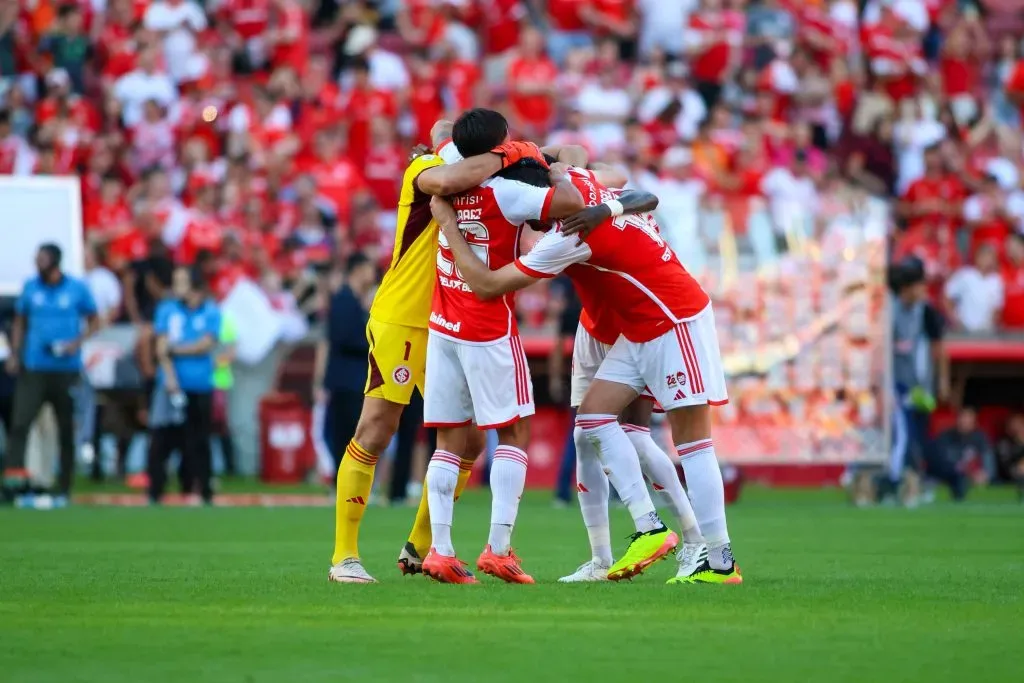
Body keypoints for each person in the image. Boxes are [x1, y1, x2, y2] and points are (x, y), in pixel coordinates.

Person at [434, 162, 738, 584]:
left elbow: (486, 285)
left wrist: (448, 225)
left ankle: (719, 560)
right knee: (592, 420)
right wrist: (604, 204)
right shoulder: (578, 180)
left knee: (693, 444)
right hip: (634, 328)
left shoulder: (565, 238)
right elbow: (630, 186)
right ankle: (647, 529)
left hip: (673, 319)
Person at [327, 119, 550, 584]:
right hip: (404, 317)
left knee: (467, 441)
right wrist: (512, 153)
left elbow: (563, 153)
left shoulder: (487, 178)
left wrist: (530, 152)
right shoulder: (426, 170)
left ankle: (422, 547)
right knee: (377, 427)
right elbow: (449, 180)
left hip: (448, 323)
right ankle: (344, 557)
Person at [417, 109, 588, 585]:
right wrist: (542, 161)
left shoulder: (449, 168)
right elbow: (572, 200)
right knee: (513, 435)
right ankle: (498, 547)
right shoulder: (508, 191)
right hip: (487, 325)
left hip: (442, 320)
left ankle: (441, 550)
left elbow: (440, 130)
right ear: (499, 145)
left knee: (448, 441)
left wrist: (491, 148)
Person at [2, 244, 99, 506]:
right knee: (20, 424)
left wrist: (76, 343)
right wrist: (14, 354)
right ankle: (13, 484)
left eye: (41, 257)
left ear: (54, 261)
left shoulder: (76, 289)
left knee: (66, 429)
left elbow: (94, 319)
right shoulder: (31, 287)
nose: (37, 261)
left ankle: (64, 485)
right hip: (34, 368)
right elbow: (20, 321)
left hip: (66, 370)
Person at [147, 267, 220, 505]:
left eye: (182, 282)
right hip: (171, 385)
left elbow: (205, 345)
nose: (177, 287)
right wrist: (170, 377)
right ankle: (156, 491)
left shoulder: (210, 311)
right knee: (162, 438)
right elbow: (161, 347)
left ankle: (202, 488)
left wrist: (176, 349)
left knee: (199, 440)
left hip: (200, 384)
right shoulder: (167, 310)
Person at [888, 258, 946, 502]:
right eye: (919, 285)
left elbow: (939, 348)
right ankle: (895, 481)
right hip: (897, 385)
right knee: (903, 435)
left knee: (919, 438)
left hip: (921, 387)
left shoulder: (926, 312)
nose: (923, 290)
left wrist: (942, 381)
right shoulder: (889, 311)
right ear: (905, 288)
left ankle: (921, 481)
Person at [318, 253, 376, 473]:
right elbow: (341, 338)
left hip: (353, 377)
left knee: (351, 432)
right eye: (369, 268)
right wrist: (373, 342)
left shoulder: (355, 300)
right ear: (358, 269)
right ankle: (342, 482)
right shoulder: (344, 300)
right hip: (346, 379)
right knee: (347, 433)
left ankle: (348, 482)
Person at [928, 407, 993, 501]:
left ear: (974, 422)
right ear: (957, 419)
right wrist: (967, 472)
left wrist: (985, 474)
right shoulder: (945, 437)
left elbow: (988, 460)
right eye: (962, 418)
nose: (964, 422)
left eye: (968, 419)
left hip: (975, 478)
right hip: (949, 477)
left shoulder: (980, 438)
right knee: (959, 480)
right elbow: (941, 463)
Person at [212, 311, 239, 476]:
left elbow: (232, 351)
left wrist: (215, 363)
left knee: (222, 425)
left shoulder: (224, 320)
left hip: (220, 382)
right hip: (199, 381)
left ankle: (230, 466)